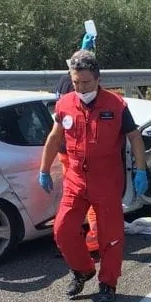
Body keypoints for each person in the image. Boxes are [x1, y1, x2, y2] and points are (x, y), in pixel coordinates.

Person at [39, 49, 149, 302]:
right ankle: (83, 270)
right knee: (63, 229)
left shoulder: (116, 105)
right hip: (76, 178)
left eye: (86, 82)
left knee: (110, 236)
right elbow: (55, 137)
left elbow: (134, 137)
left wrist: (141, 169)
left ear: (98, 79)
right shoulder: (65, 103)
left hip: (107, 180)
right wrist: (44, 169)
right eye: (76, 82)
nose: (81, 87)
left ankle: (108, 283)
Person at [56, 29, 100, 250]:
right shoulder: (72, 87)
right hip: (75, 152)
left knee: (74, 196)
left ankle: (79, 238)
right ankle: (93, 240)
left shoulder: (63, 82)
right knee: (86, 198)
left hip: (67, 151)